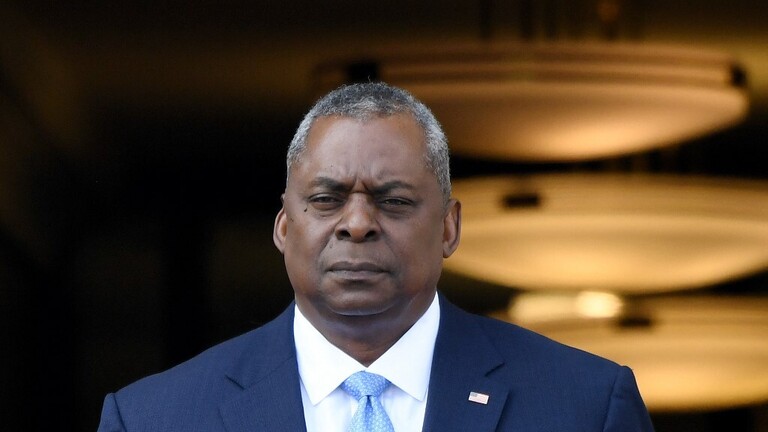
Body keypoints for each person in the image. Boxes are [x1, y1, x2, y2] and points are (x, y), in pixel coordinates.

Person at [97, 82, 654, 432]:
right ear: (284, 227)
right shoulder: (154, 419)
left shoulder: (585, 407)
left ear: (449, 228)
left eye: (394, 201)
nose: (358, 223)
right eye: (326, 199)